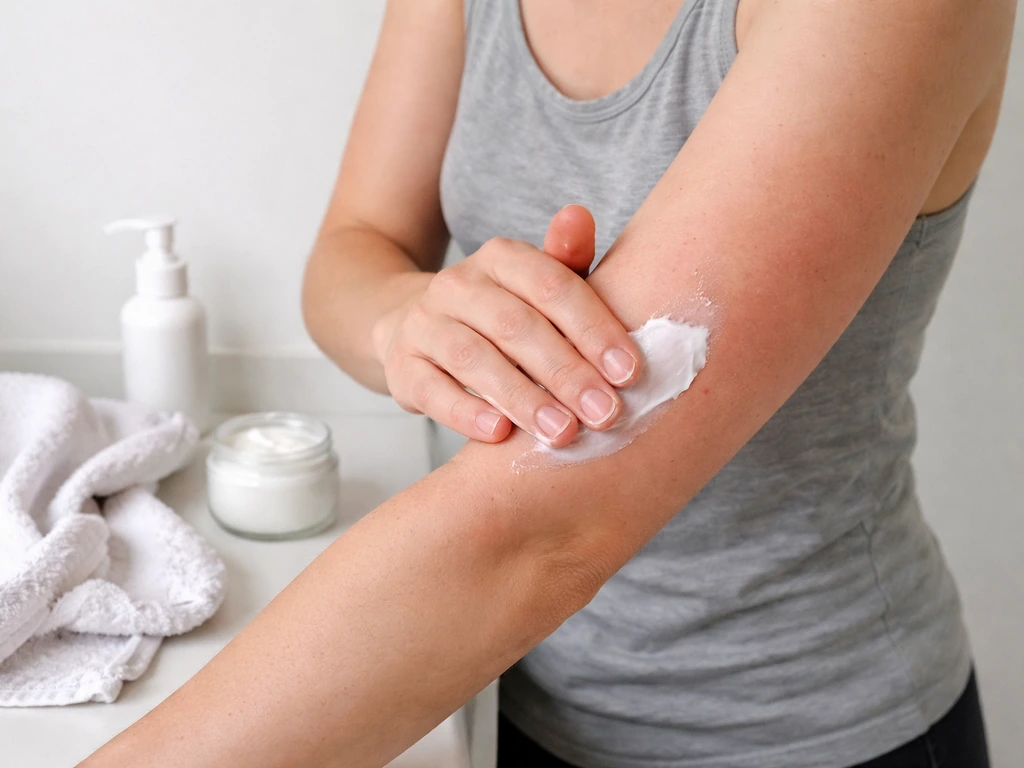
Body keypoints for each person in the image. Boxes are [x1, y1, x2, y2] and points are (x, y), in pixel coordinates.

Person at [83, 1, 1013, 767]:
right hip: (510, 698)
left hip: (801, 733)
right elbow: (355, 245)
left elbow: (547, 528)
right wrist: (409, 319)